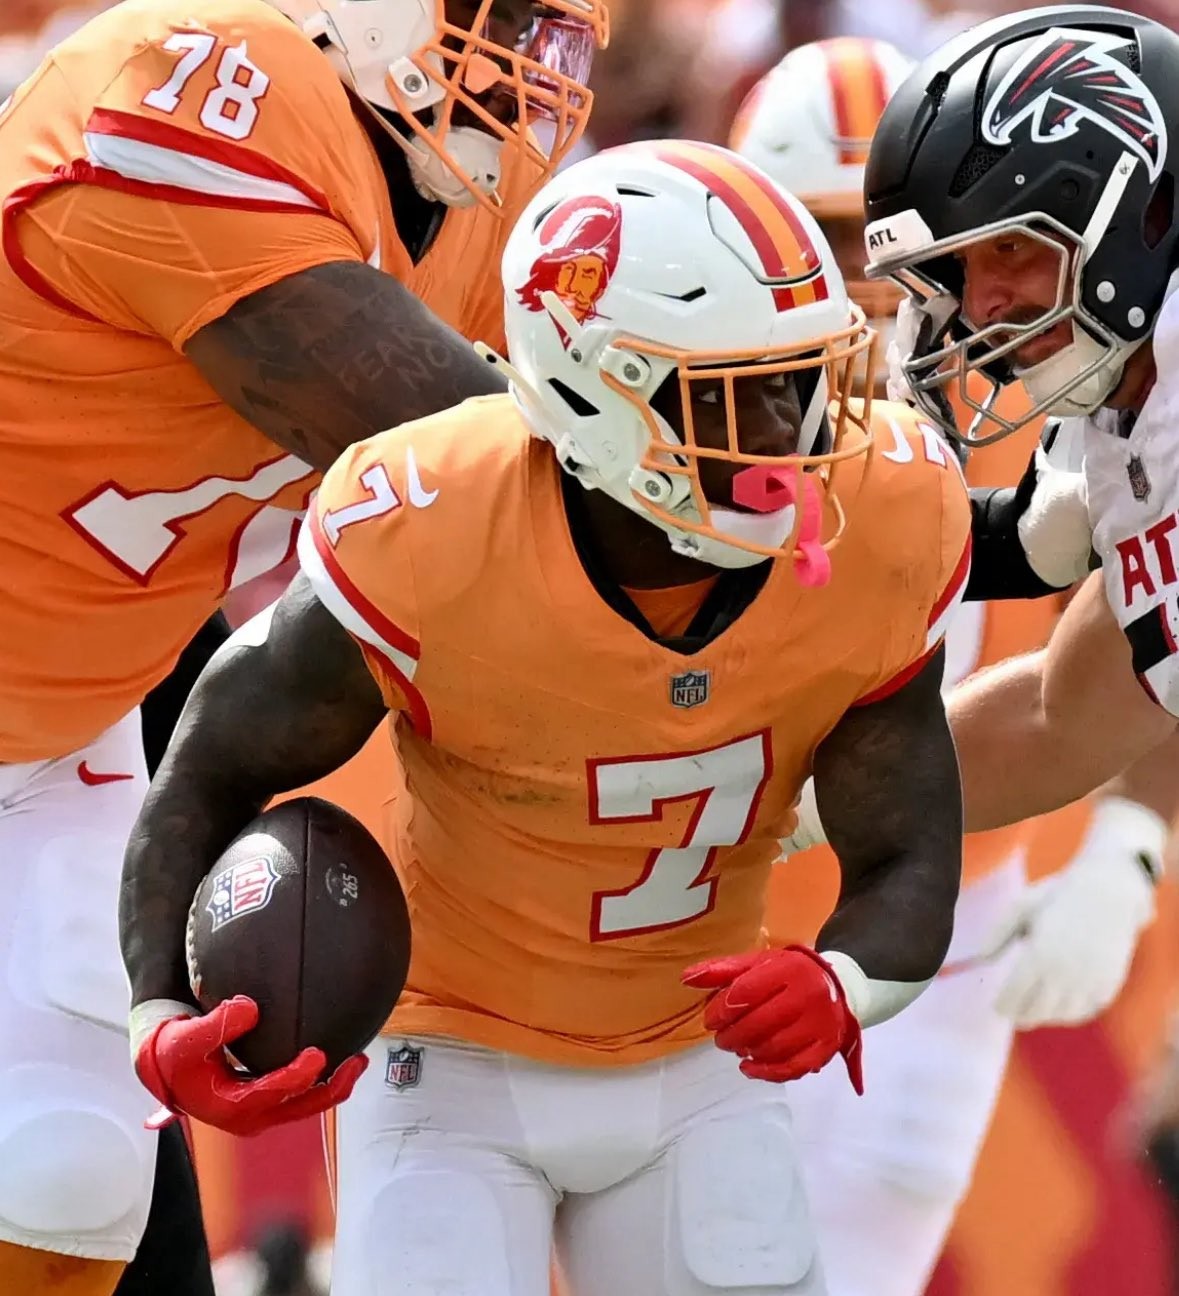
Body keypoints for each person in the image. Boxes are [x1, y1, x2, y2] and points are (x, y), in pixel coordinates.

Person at [121, 139, 970, 1296]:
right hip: (448, 1064)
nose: (793, 429)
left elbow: (908, 841)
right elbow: (212, 766)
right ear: (595, 390)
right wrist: (156, 1010)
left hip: (697, 1063)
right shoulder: (432, 523)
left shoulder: (884, 510)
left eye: (802, 377)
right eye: (735, 391)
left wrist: (845, 982)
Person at [0, 0, 607, 1291]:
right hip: (64, 694)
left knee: (72, 1180)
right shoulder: (201, 78)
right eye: (500, 14)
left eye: (552, 27)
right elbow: (470, 463)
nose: (529, 64)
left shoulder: (467, 203)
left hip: (64, 730)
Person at [842, 4, 1179, 830]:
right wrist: (791, 813)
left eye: (1009, 246)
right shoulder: (1131, 407)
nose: (980, 306)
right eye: (958, 268)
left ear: (1141, 212)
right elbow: (1054, 721)